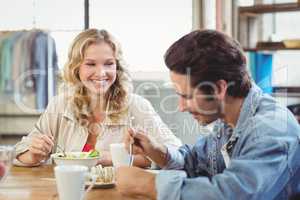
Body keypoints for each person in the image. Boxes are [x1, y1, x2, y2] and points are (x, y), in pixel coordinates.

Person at [116, 30, 300, 199]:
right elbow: (196, 162)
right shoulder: (227, 118)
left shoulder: (270, 130)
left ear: (219, 88)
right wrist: (158, 151)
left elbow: (232, 194)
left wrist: (149, 185)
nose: (181, 107)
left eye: (187, 96)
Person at [14, 29, 181, 167]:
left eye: (108, 63)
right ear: (76, 68)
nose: (101, 73)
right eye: (91, 64)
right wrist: (34, 155)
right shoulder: (60, 105)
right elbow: (19, 153)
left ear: (118, 66)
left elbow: (176, 153)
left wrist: (111, 158)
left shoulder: (136, 105)